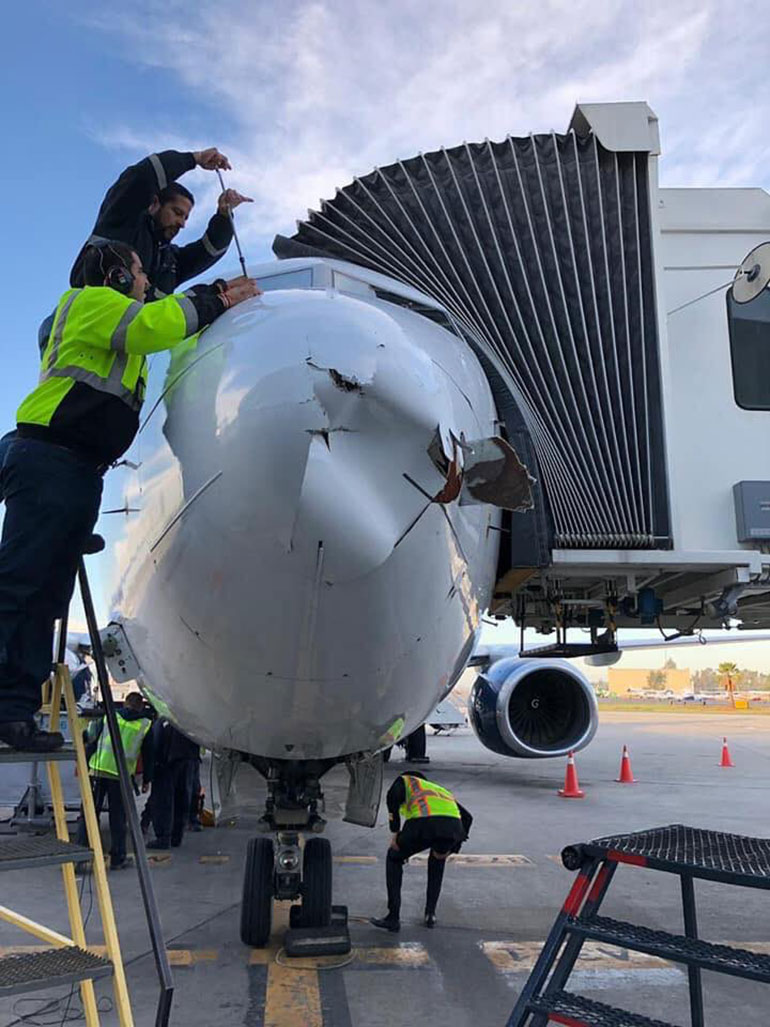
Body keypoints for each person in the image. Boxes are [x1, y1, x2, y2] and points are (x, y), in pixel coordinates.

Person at [0, 240, 259, 752]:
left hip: (73, 471)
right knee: (21, 585)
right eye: (139, 274)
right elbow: (151, 326)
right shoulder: (91, 302)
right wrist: (215, 299)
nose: (146, 283)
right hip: (50, 459)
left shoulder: (104, 322)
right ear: (117, 277)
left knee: (46, 594)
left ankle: (12, 708)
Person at [69, 148, 252, 301]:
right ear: (154, 204)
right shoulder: (123, 221)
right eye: (177, 213)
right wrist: (195, 158)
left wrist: (223, 215)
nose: (182, 224)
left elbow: (208, 251)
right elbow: (141, 177)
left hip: (129, 342)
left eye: (186, 218)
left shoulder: (170, 262)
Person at [370, 772, 472, 932]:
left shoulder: (405, 781)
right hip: (451, 828)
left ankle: (393, 917)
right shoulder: (438, 790)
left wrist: (395, 834)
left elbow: (393, 797)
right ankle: (430, 914)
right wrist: (453, 848)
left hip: (423, 824)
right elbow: (468, 818)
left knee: (394, 858)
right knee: (438, 860)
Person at [76, 691, 153, 871]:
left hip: (97, 770)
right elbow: (149, 755)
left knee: (88, 814)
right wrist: (147, 780)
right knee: (118, 818)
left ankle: (77, 857)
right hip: (120, 776)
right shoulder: (145, 724)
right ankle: (117, 858)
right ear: (141, 706)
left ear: (125, 703)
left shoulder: (109, 717)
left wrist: (84, 762)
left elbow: (89, 737)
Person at [146, 719, 202, 850]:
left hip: (167, 763)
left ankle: (163, 838)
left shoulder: (165, 721)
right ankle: (177, 836)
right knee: (182, 799)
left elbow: (155, 743)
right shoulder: (190, 721)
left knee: (163, 802)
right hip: (188, 760)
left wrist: (152, 768)